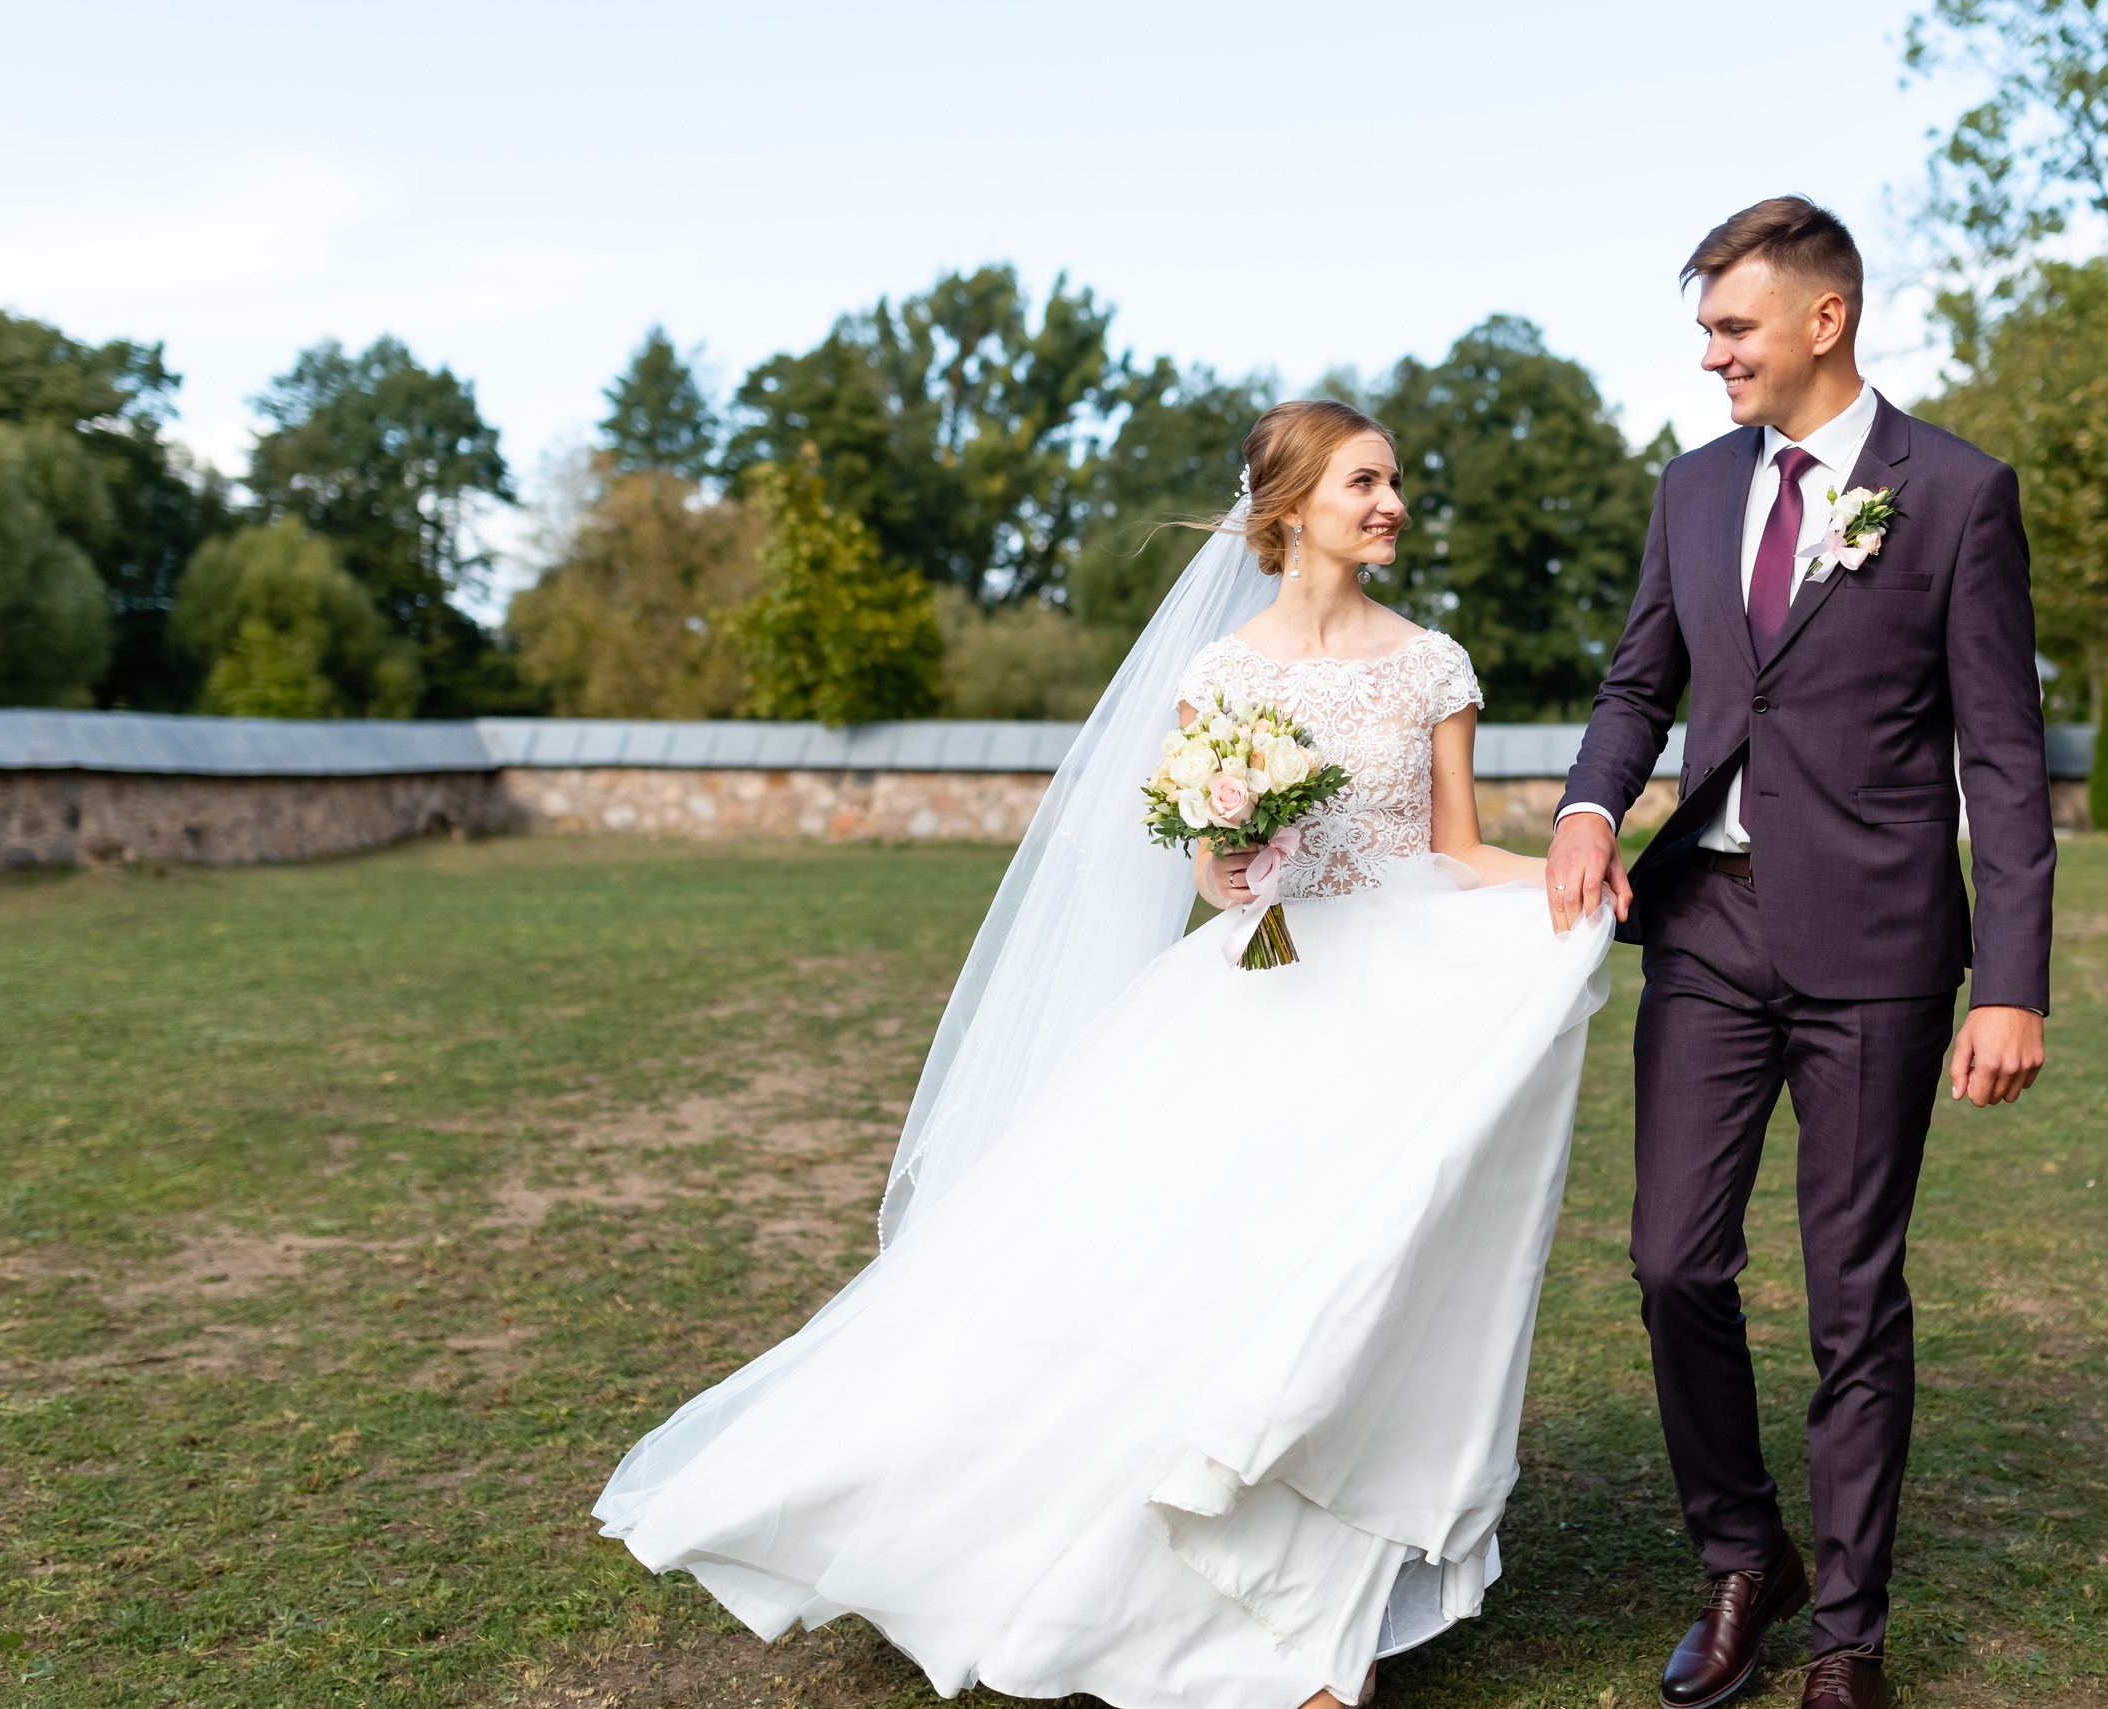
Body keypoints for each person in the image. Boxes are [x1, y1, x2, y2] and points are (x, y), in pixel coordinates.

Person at [595, 400, 1616, 1709]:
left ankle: (1326, 1618)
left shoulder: (1433, 663)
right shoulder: (1223, 676)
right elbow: (1203, 869)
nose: (1393, 503)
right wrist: (1230, 863)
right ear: (1291, 504)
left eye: (1396, 481)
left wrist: (1586, 882)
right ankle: (1170, 1580)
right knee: (1221, 1281)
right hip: (1266, 992)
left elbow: (1460, 849)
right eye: (1366, 481)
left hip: (1399, 1001)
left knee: (1358, 1289)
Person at [1544, 197, 2055, 1709]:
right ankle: (1739, 1554)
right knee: (1671, 1262)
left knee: (1854, 1294)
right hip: (1707, 923)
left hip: (1881, 946)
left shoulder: (1955, 493)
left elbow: (2003, 756)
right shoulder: (1692, 489)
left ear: (1823, 320)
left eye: (1732, 328)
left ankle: (1848, 1637)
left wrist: (2012, 980)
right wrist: (1587, 808)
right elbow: (1639, 684)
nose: (1712, 356)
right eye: (1707, 330)